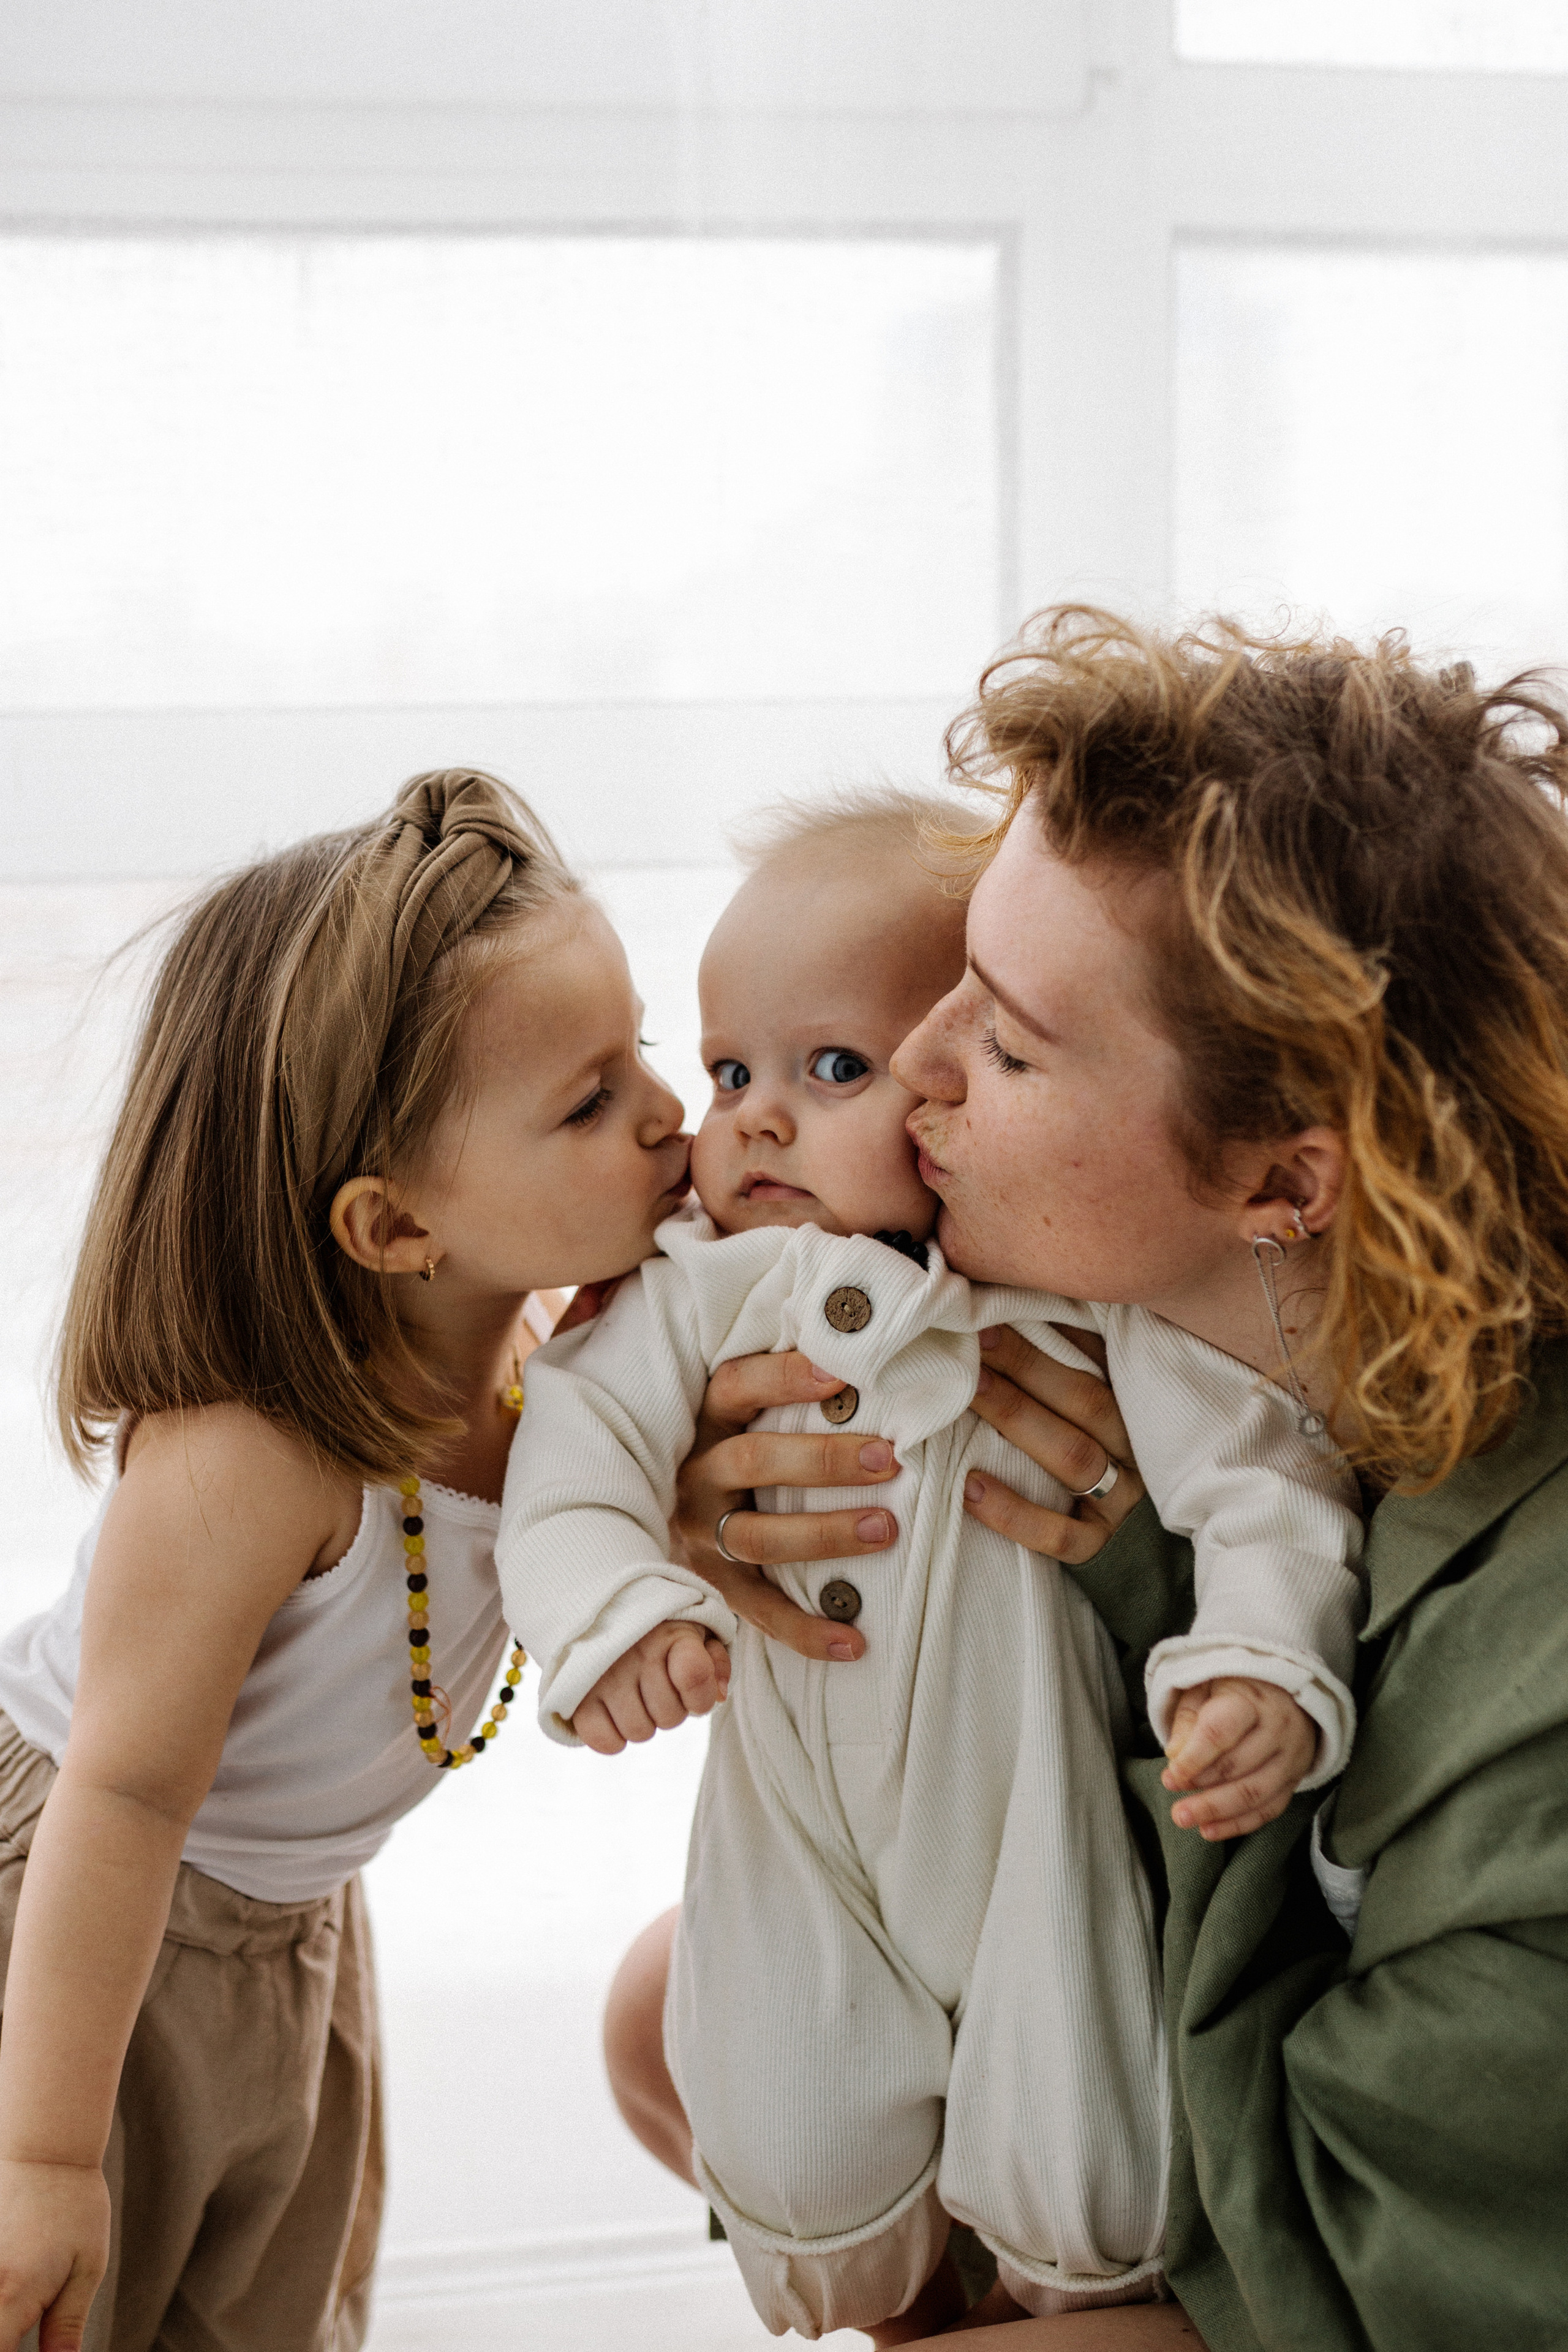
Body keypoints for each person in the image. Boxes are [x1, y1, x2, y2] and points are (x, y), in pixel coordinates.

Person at [610, 612, 1568, 2349]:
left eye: (1009, 1044)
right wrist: (690, 1467)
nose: (915, 1062)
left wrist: (1163, 1597)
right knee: (660, 2009)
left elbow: (1344, 2260)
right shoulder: (1153, 1351)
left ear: (1282, 1184)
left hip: (1379, 2271)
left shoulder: (1531, 1695)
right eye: (954, 978)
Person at [503, 787, 1365, 2342]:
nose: (753, 1119)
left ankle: (1065, 2297)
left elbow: (1257, 1481)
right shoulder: (699, 1292)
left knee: (1079, 2119)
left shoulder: (1061, 1293)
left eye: (834, 1068)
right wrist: (614, 1609)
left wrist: (1255, 1657)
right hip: (789, 1819)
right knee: (777, 2089)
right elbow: (575, 1454)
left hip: (1031, 1813)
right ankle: (879, 2292)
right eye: (728, 1071)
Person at [0, 771, 699, 2352]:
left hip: (288, 1932)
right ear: (392, 1230)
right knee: (57, 2288)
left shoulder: (554, 1370)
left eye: (642, 1048)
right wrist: (40, 2156)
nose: (667, 1113)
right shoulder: (252, 1457)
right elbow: (122, 1795)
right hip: (79, 1921)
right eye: (589, 1102)